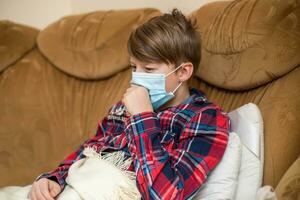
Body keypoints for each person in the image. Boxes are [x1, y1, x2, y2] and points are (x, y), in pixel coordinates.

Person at [28, 8, 229, 200]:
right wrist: (54, 178)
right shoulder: (122, 107)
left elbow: (164, 195)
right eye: (134, 67)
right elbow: (91, 148)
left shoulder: (205, 119)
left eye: (148, 69)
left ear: (183, 72)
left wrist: (142, 118)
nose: (137, 78)